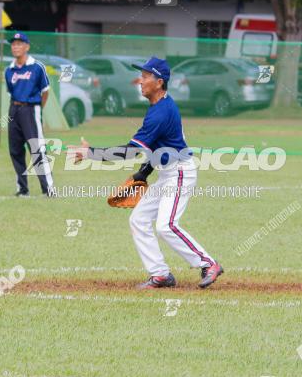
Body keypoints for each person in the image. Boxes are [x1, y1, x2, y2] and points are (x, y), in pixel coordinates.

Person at [71, 56, 224, 290]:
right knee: (139, 219)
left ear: (159, 82)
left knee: (166, 225)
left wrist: (90, 153)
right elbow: (157, 147)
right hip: (167, 173)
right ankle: (161, 274)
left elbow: (130, 152)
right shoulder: (158, 107)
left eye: (145, 76)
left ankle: (208, 263)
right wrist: (144, 173)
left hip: (180, 172)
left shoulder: (160, 112)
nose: (139, 81)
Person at [5, 32, 55, 197]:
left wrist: (38, 108)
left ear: (27, 47)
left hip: (31, 109)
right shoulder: (9, 70)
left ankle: (48, 189)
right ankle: (22, 189)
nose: (16, 47)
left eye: (20, 44)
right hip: (14, 109)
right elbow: (11, 92)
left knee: (37, 149)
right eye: (13, 44)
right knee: (15, 150)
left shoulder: (36, 67)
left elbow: (45, 91)